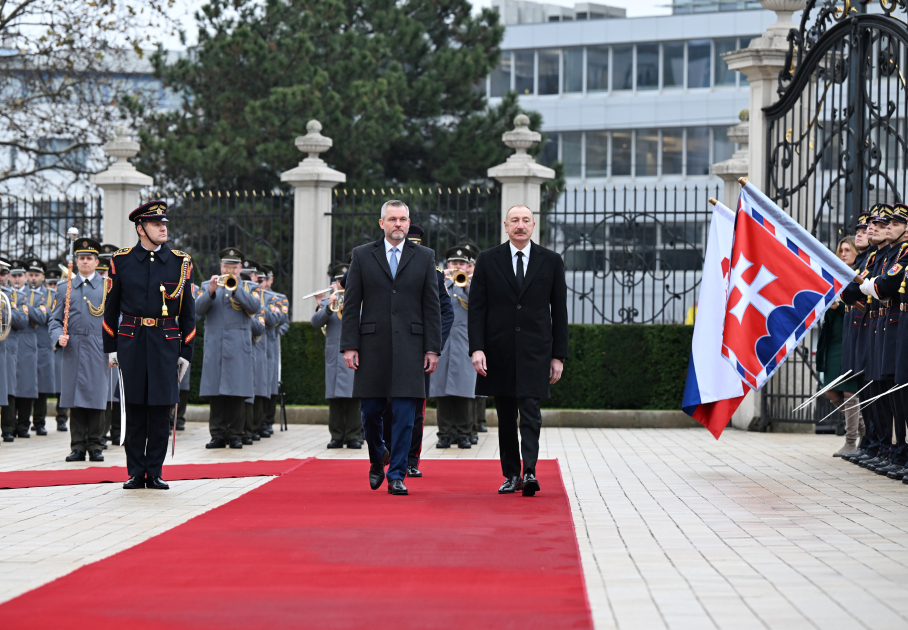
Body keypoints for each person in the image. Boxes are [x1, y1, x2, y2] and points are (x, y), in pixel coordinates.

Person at [340, 200, 442, 496]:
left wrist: (432, 348)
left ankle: (397, 474)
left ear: (409, 223)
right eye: (393, 219)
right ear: (381, 223)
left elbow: (431, 307)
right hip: (372, 346)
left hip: (412, 346)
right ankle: (377, 458)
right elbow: (351, 304)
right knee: (370, 411)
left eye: (403, 219)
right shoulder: (361, 255)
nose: (398, 224)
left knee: (405, 414)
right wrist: (349, 345)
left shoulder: (425, 257)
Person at [468, 204, 569, 496]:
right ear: (505, 225)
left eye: (525, 220)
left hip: (535, 352)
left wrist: (558, 356)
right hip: (499, 352)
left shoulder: (550, 261)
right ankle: (511, 474)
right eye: (515, 220)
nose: (520, 225)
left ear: (533, 225)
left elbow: (559, 311)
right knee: (505, 415)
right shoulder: (487, 260)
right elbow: (477, 309)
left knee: (531, 412)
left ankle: (530, 471)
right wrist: (477, 349)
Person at [103, 200, 196, 490]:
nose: (163, 228)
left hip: (165, 344)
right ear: (140, 228)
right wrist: (112, 346)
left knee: (159, 409)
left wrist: (186, 352)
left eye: (165, 224)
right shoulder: (122, 260)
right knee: (134, 408)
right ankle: (135, 471)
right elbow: (111, 307)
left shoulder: (181, 262)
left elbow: (188, 312)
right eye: (157, 224)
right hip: (131, 341)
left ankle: (154, 471)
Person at [377, 225, 453, 477]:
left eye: (415, 244)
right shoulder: (383, 267)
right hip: (388, 348)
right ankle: (388, 450)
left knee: (415, 409)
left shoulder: (433, 272)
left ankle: (411, 459)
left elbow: (445, 313)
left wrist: (432, 346)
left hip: (418, 350)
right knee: (386, 405)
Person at [48, 238, 112, 462]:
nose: (85, 261)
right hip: (73, 347)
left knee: (96, 397)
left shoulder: (107, 287)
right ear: (76, 261)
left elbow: (116, 320)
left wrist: (115, 349)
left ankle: (95, 445)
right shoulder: (65, 287)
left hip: (98, 347)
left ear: (96, 262)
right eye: (82, 258)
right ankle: (76, 446)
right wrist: (58, 336)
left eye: (89, 258)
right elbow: (54, 320)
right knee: (74, 398)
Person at [858, 203, 908, 478]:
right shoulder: (892, 254)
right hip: (885, 324)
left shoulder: (902, 254)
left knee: (896, 391)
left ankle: (897, 450)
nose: (887, 226)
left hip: (895, 324)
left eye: (895, 223)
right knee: (885, 390)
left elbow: (883, 286)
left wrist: (868, 285)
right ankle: (891, 448)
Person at [196, 247, 260, 449]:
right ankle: (217, 434)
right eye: (226, 266)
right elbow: (196, 311)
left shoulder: (249, 287)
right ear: (221, 266)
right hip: (215, 344)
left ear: (240, 268)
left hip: (238, 345)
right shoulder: (207, 285)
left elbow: (255, 308)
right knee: (216, 392)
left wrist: (236, 290)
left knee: (237, 392)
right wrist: (211, 292)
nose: (229, 270)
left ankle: (235, 434)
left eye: (234, 267)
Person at [312, 261, 363, 449]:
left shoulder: (360, 300)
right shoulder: (328, 302)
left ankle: (354, 435)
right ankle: (336, 436)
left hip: (354, 353)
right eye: (339, 282)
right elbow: (315, 322)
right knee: (334, 398)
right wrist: (327, 306)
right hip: (334, 355)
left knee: (353, 396)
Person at [431, 245, 476, 449]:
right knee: (442, 390)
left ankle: (464, 433)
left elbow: (480, 305)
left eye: (462, 263)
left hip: (465, 341)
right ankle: (445, 434)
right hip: (444, 341)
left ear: (468, 266)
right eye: (454, 263)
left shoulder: (472, 285)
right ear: (447, 265)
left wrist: (467, 285)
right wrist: (444, 280)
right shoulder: (439, 283)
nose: (458, 266)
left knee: (464, 390)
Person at [10, 259, 45, 438]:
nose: (17, 280)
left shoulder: (36, 296)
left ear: (25, 276)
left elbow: (41, 317)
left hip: (27, 342)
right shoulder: (6, 294)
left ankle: (23, 424)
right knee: (11, 384)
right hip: (10, 341)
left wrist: (26, 307)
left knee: (26, 385)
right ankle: (9, 425)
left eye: (19, 276)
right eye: (13, 276)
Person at [0, 258, 26, 442]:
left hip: (6, 348)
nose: (0, 277)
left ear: (7, 275)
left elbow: (23, 321)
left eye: (2, 273)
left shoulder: (15, 296)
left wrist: (3, 310)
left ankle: (8, 428)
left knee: (7, 388)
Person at [174, 281, 201, 432]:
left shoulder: (194, 288)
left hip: (182, 335)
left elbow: (196, 315)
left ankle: (179, 417)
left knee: (182, 381)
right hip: (164, 332)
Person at [45, 266, 68, 432]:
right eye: (50, 283)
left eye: (55, 283)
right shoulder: (53, 295)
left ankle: (62, 417)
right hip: (52, 342)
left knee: (63, 383)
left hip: (62, 345)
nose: (53, 286)